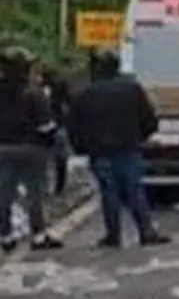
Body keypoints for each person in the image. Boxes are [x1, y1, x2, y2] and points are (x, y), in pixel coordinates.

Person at [69, 49, 170, 249]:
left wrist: (83, 148)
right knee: (134, 191)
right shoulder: (131, 90)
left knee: (109, 194)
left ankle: (113, 235)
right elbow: (149, 120)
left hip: (100, 153)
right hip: (128, 149)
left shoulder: (85, 95)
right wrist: (139, 138)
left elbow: (75, 126)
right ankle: (146, 231)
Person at [0, 47, 61, 251]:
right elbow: (47, 126)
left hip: (4, 148)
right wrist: (50, 142)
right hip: (32, 149)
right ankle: (38, 235)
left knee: (4, 194)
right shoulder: (34, 93)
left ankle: (6, 235)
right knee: (34, 194)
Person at [43, 64, 72, 197]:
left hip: (48, 129)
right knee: (61, 161)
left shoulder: (44, 93)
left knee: (49, 160)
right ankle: (59, 187)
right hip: (60, 129)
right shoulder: (63, 95)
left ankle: (50, 188)